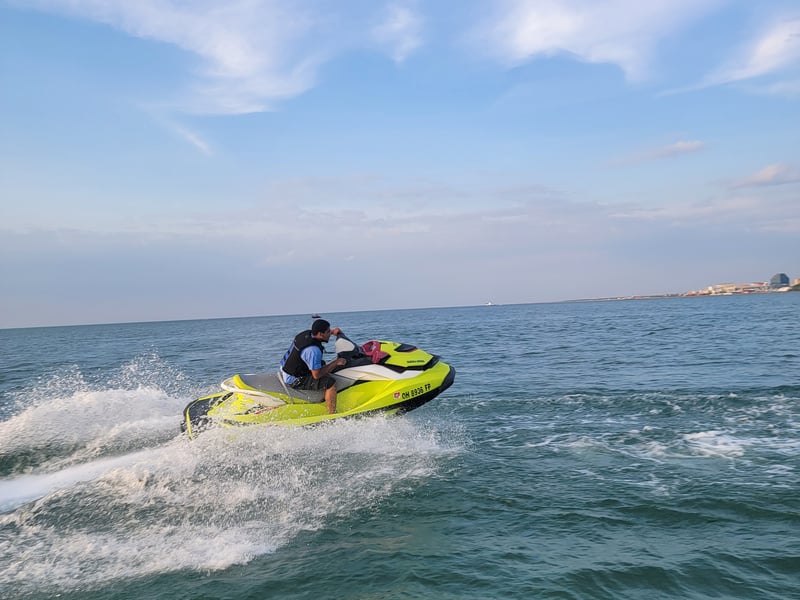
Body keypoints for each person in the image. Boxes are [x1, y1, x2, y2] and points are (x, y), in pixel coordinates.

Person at [279, 319, 346, 414]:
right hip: (293, 379)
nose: (329, 334)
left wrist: (333, 331)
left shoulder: (307, 334)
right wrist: (336, 362)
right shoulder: (313, 350)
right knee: (330, 383)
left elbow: (320, 333)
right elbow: (316, 375)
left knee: (322, 364)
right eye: (328, 332)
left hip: (286, 368)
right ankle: (332, 414)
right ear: (320, 334)